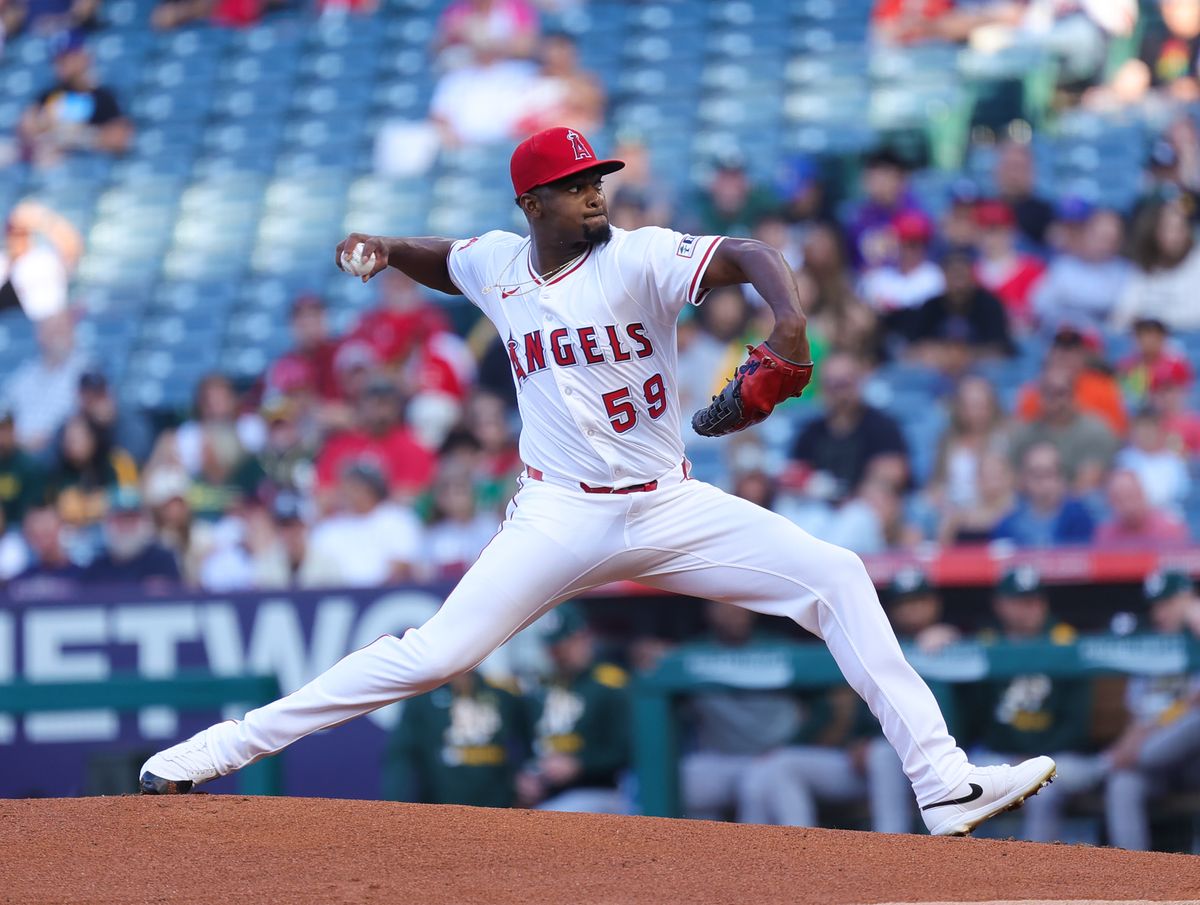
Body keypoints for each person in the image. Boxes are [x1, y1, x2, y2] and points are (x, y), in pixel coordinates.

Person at [140, 125, 1055, 838]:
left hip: (669, 503)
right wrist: (384, 244)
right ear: (533, 202)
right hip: (559, 515)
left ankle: (944, 783)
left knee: (839, 576)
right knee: (434, 656)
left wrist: (789, 327)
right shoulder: (501, 261)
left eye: (597, 182)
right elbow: (445, 260)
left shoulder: (639, 256)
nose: (594, 195)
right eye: (577, 186)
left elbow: (746, 252)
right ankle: (213, 750)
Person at [959, 568, 1102, 843]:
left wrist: (1032, 758)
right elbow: (974, 718)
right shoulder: (987, 643)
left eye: (1035, 600)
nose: (1031, 608)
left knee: (1040, 789)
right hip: (1000, 756)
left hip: (1059, 759)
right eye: (1021, 601)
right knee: (963, 785)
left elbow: (1077, 726)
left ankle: (1035, 877)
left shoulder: (1066, 640)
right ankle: (960, 873)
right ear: (1001, 605)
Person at [678, 601, 835, 825]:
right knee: (686, 781)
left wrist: (795, 744)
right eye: (722, 606)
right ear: (709, 612)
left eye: (738, 604)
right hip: (722, 759)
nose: (733, 613)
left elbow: (824, 708)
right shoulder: (692, 652)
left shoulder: (780, 647)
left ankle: (793, 853)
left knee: (763, 782)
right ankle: (698, 854)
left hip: (774, 755)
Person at [1105, 569, 1200, 851]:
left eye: (1168, 603)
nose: (1160, 613)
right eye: (1156, 605)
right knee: (1123, 785)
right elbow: (1138, 715)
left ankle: (1105, 765)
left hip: (1193, 757)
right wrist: (1141, 734)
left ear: (1189, 598)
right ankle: (1136, 882)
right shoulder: (1153, 646)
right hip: (1155, 757)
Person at [517, 603, 630, 814]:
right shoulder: (541, 686)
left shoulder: (608, 684)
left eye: (564, 646)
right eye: (552, 649)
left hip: (597, 791)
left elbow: (627, 749)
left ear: (583, 637)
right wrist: (523, 776)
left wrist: (580, 765)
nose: (558, 655)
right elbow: (524, 743)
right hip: (546, 792)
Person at [383, 666, 531, 808]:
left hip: (499, 808)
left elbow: (528, 741)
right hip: (439, 808)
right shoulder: (421, 700)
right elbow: (400, 755)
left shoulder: (502, 696)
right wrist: (394, 804)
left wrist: (528, 774)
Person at [788, 352, 910, 505]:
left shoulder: (883, 427)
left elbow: (893, 473)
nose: (839, 394)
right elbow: (795, 474)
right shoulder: (810, 432)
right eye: (831, 386)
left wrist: (853, 495)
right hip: (817, 505)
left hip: (862, 506)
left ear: (859, 383)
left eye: (844, 384)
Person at [313, 375, 437, 508]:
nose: (379, 411)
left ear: (397, 407)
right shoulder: (340, 444)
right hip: (345, 520)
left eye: (385, 403)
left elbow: (411, 497)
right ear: (361, 404)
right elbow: (323, 495)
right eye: (373, 402)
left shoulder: (413, 446)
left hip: (389, 520)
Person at [18, 30, 132, 167]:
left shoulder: (103, 96)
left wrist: (81, 135)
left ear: (84, 56)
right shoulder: (50, 94)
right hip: (53, 167)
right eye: (57, 60)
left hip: (92, 167)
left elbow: (120, 138)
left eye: (67, 58)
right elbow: (26, 127)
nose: (61, 65)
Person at [302, 460, 423, 588]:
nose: (346, 492)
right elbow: (315, 569)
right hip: (338, 596)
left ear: (371, 490)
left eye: (354, 486)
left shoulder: (399, 520)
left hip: (385, 594)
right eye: (345, 486)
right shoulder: (328, 529)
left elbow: (404, 563)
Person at [1007, 364, 1118, 494]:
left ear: (1073, 395)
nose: (1055, 400)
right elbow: (1012, 477)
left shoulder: (1095, 431)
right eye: (1048, 393)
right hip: (1032, 503)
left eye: (1060, 393)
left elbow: (1088, 483)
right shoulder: (1025, 433)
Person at [1031, 208, 1132, 335]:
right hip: (1063, 337)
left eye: (1108, 237)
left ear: (1118, 242)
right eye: (1096, 234)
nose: (1100, 243)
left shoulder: (1126, 272)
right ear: (1085, 232)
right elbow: (1040, 306)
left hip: (1106, 342)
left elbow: (1122, 318)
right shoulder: (1063, 266)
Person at [1, 311, 89, 455]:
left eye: (61, 328)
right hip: (17, 451)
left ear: (72, 331)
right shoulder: (25, 375)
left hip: (58, 452)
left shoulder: (84, 370)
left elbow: (81, 423)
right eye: (50, 329)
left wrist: (43, 439)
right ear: (39, 334)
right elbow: (6, 409)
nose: (56, 336)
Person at [908, 246, 1013, 366]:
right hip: (936, 371)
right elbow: (913, 349)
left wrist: (965, 355)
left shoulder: (989, 305)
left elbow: (1001, 349)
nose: (958, 280)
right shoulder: (930, 307)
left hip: (979, 371)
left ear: (971, 275)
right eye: (953, 274)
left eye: (962, 273)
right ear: (944, 275)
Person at [1111, 197, 1200, 331]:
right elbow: (1120, 319)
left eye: (1180, 228)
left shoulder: (1196, 259)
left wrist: (1150, 321)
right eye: (1168, 229)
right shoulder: (1143, 264)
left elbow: (1193, 317)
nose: (1175, 236)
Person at [857, 210, 945, 344]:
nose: (908, 250)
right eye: (903, 243)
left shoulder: (934, 276)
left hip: (923, 343)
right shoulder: (878, 276)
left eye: (914, 244)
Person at [993, 442, 1096, 547]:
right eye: (1035, 474)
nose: (1042, 482)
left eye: (1048, 473)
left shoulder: (1079, 517)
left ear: (1061, 478)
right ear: (1024, 479)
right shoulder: (1008, 525)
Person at [0, 200, 83, 322]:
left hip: (49, 323)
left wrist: (41, 219)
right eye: (11, 233)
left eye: (20, 233)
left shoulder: (44, 259)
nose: (15, 239)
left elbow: (72, 247)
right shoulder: (3, 261)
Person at [84, 487, 181, 590]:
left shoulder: (163, 562)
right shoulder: (97, 567)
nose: (127, 526)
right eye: (121, 519)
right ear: (109, 523)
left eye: (132, 519)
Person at [972, 200, 1046, 328]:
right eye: (986, 231)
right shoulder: (969, 273)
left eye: (998, 231)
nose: (992, 238)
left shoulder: (1033, 271)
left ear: (1012, 232)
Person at [1095, 469, 1190, 548]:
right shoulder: (1105, 534)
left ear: (1143, 494)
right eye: (1119, 499)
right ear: (1110, 503)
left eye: (1131, 496)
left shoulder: (1169, 530)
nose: (1127, 505)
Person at [992, 140, 1055, 248]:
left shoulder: (1047, 214)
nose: (1013, 175)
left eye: (1019, 167)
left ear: (1032, 172)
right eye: (1008, 167)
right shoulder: (983, 208)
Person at [0, 405, 45, 529]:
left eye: (4, 429)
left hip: (19, 531)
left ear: (13, 429)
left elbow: (32, 513)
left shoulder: (28, 466)